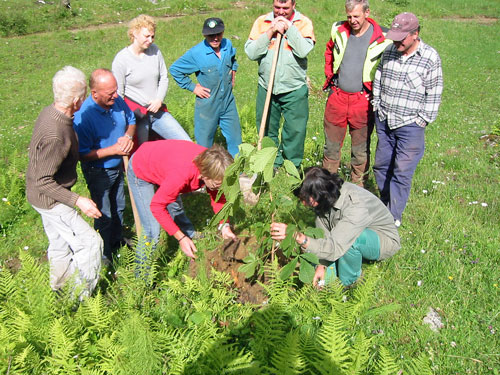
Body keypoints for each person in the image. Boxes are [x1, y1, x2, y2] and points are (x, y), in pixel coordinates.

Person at [26, 66, 102, 298]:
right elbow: (42, 179)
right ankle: (78, 299)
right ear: (78, 100)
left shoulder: (51, 112)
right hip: (50, 200)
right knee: (90, 244)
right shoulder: (56, 133)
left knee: (59, 243)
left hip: (41, 196)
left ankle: (58, 288)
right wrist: (78, 200)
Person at [271, 167, 400, 287]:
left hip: (382, 239)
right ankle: (333, 278)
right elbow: (324, 234)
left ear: (318, 195)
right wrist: (321, 265)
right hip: (342, 238)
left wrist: (299, 238)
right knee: (325, 280)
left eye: (304, 199)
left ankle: (348, 283)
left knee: (354, 240)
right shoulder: (326, 196)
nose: (303, 203)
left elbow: (334, 248)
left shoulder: (355, 206)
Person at [372, 13, 443, 227]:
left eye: (401, 37)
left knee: (402, 171)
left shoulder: (430, 57)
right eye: (394, 36)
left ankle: (393, 217)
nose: (396, 42)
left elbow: (435, 91)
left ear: (415, 34)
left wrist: (423, 120)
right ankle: (384, 204)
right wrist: (377, 105)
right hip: (385, 120)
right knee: (381, 166)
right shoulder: (389, 52)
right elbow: (379, 77)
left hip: (410, 125)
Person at [127, 140, 237, 263]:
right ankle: (141, 277)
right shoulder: (182, 175)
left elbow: (218, 197)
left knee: (175, 206)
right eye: (217, 185)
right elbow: (157, 206)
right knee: (152, 230)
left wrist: (224, 225)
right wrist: (181, 238)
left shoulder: (213, 164)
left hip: (166, 164)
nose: (220, 188)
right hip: (142, 166)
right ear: (204, 176)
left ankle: (189, 235)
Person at [322, 0, 391, 186]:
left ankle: (358, 189)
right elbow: (329, 51)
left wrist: (376, 92)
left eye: (356, 16)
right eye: (349, 16)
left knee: (360, 150)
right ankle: (328, 188)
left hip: (363, 100)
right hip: (337, 97)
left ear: (367, 13)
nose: (352, 20)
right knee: (331, 147)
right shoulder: (338, 30)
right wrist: (330, 77)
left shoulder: (383, 37)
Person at [73, 69, 136, 261]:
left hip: (117, 166)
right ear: (95, 94)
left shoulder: (116, 101)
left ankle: (117, 241)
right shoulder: (83, 118)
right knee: (104, 213)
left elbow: (131, 120)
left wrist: (127, 136)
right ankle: (104, 254)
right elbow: (82, 154)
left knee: (119, 206)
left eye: (115, 91)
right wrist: (114, 150)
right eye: (110, 94)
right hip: (98, 171)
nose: (116, 96)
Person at [245, 0, 315, 168]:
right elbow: (251, 52)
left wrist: (289, 29)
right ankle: (272, 164)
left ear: (294, 5)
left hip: (294, 88)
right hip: (267, 86)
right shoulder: (262, 22)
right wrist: (270, 31)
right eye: (277, 7)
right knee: (267, 128)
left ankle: (292, 167)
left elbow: (303, 50)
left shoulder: (303, 23)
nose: (281, 12)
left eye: (285, 8)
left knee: (295, 131)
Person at [112, 14, 190, 146]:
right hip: (138, 115)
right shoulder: (121, 59)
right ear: (134, 34)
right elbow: (119, 93)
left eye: (152, 36)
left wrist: (159, 99)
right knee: (142, 150)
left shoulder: (155, 51)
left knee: (185, 142)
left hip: (157, 112)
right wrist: (127, 118)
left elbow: (164, 78)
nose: (150, 40)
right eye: (146, 36)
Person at [170, 17, 241, 157]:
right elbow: (175, 69)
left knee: (236, 140)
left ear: (223, 32)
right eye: (211, 35)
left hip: (228, 102)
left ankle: (237, 173)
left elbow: (233, 58)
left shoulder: (227, 45)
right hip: (208, 105)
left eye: (218, 34)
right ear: (204, 35)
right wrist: (192, 87)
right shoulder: (196, 53)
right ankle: (203, 175)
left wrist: (234, 69)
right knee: (203, 144)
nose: (215, 38)